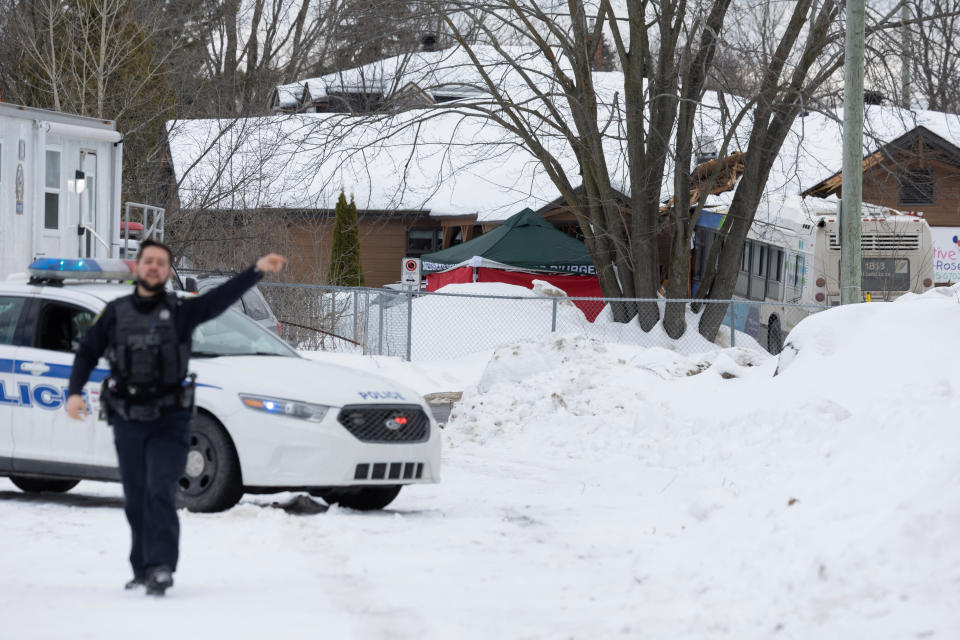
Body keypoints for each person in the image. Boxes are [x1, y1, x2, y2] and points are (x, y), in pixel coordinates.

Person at [65, 240, 287, 596]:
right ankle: (142, 567)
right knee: (136, 497)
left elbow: (221, 298)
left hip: (170, 419)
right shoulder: (115, 313)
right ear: (138, 268)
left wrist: (256, 269)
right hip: (127, 418)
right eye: (148, 261)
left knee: (160, 492)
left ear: (168, 272)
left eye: (161, 263)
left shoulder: (181, 312)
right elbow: (87, 352)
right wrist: (74, 392)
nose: (154, 267)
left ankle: (162, 566)